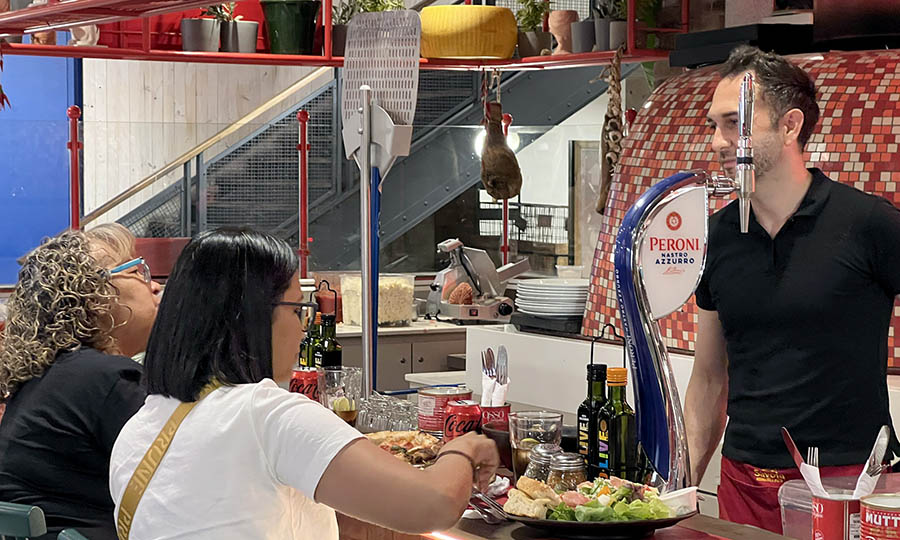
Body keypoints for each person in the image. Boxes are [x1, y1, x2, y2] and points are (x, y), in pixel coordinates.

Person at [109, 228, 499, 540]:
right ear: (252, 316)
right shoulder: (264, 414)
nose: (303, 330)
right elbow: (433, 505)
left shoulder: (139, 427)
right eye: (298, 310)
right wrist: (464, 448)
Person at [685, 45, 900, 533]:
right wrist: (680, 488)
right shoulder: (717, 236)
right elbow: (709, 377)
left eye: (733, 123)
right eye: (713, 125)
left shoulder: (867, 223)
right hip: (744, 483)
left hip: (850, 486)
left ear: (790, 126)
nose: (717, 141)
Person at [0, 224, 162, 539]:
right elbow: (185, 475)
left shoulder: (50, 377)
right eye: (138, 271)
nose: (154, 286)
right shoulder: (104, 380)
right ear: (95, 293)